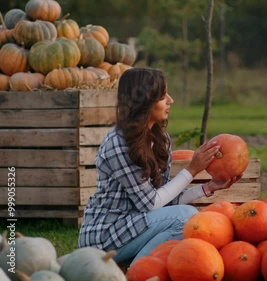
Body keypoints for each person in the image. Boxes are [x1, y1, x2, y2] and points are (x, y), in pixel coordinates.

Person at [78, 67, 240, 264]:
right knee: (185, 217)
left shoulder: (160, 138)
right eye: (163, 96)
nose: (170, 100)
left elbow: (163, 200)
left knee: (187, 218)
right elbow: (150, 203)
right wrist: (192, 169)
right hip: (104, 235)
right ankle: (138, 272)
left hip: (135, 227)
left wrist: (207, 188)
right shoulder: (118, 142)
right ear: (144, 101)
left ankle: (139, 268)